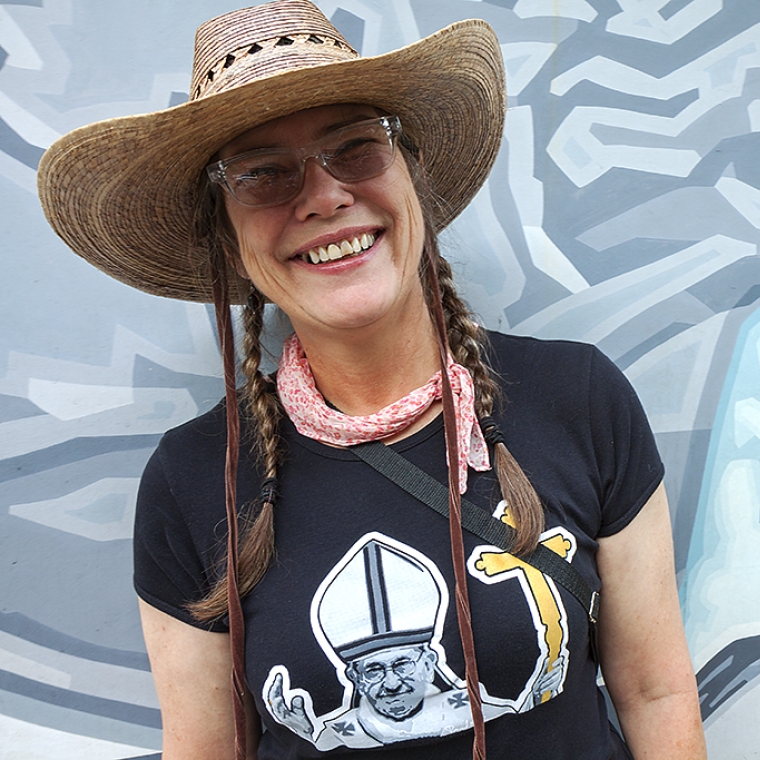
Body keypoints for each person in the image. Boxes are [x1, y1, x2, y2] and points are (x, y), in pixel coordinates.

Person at [37, 1, 707, 759]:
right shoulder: (194, 479)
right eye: (261, 174)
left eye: (356, 147)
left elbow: (656, 692)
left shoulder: (579, 398)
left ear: (412, 175)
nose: (324, 196)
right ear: (226, 233)